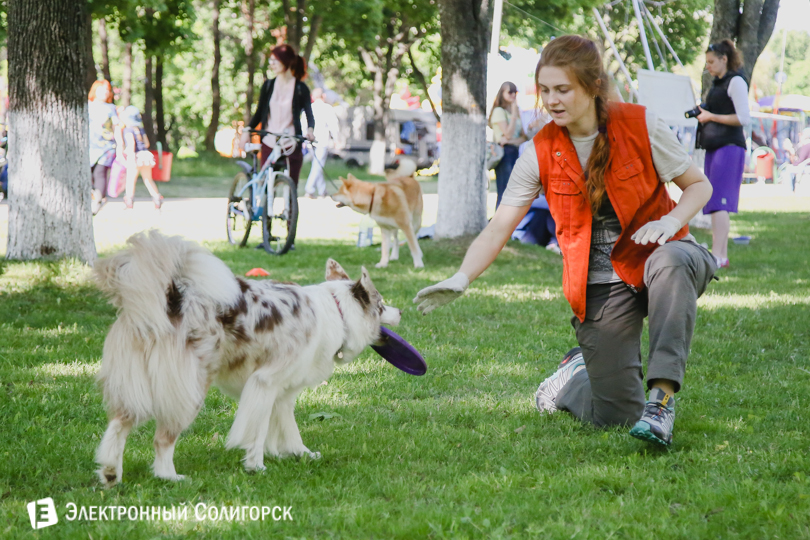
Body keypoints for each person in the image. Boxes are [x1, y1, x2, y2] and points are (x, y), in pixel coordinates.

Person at [413, 35, 717, 447]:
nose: (552, 100)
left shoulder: (639, 123)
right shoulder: (538, 151)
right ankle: (576, 375)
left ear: (592, 87)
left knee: (673, 261)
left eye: (563, 89)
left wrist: (672, 219)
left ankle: (661, 401)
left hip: (662, 256)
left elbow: (698, 186)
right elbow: (500, 224)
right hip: (600, 286)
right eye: (545, 90)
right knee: (615, 416)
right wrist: (462, 276)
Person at [697, 40, 750, 269]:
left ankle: (719, 255)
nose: (708, 66)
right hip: (714, 147)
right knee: (713, 202)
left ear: (724, 59)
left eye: (711, 61)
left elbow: (743, 118)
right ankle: (719, 253)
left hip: (729, 147)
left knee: (720, 203)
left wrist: (710, 116)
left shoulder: (736, 81)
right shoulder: (717, 83)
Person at [242, 44, 315, 188]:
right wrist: (246, 131)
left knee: (292, 186)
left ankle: (290, 210)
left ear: (286, 61)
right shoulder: (268, 86)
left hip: (291, 142)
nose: (272, 64)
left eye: (275, 60)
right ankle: (261, 207)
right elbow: (259, 113)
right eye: (270, 61)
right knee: (266, 186)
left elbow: (309, 114)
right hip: (270, 141)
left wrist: (310, 130)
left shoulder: (301, 88)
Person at [489, 82, 528, 207]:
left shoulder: (515, 111)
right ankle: (498, 224)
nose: (513, 95)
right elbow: (509, 133)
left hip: (514, 152)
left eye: (515, 92)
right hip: (504, 154)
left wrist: (509, 141)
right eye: (510, 92)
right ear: (502, 93)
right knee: (504, 191)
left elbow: (523, 137)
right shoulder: (499, 111)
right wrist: (514, 115)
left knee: (513, 192)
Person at [120, 105, 163, 210]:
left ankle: (129, 201)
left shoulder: (128, 130)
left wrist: (126, 153)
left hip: (135, 157)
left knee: (131, 180)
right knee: (148, 179)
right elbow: (146, 143)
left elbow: (131, 145)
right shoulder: (140, 129)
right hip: (145, 155)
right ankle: (157, 198)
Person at [88, 80, 119, 215]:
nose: (105, 93)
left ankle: (97, 202)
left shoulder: (110, 108)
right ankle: (91, 199)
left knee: (99, 173)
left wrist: (121, 146)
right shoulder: (86, 106)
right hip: (89, 147)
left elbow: (116, 127)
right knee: (87, 175)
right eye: (102, 90)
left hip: (106, 147)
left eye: (107, 90)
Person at [304, 88, 340, 198]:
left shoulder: (309, 108)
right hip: (322, 141)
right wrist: (336, 139)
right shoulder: (327, 108)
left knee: (317, 165)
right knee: (317, 166)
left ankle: (322, 191)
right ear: (323, 96)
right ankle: (309, 189)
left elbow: (303, 124)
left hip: (310, 141)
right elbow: (333, 126)